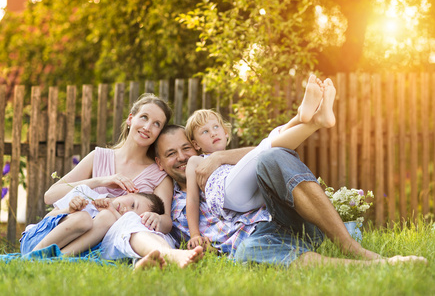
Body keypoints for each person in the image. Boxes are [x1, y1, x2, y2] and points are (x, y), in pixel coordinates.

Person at [151, 80, 426, 267]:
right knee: (250, 251)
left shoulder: (215, 161)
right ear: (160, 162)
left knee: (269, 154)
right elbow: (189, 208)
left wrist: (221, 156)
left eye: (185, 148)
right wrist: (196, 236)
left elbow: (256, 156)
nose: (183, 157)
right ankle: (376, 266)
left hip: (271, 211)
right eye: (172, 153)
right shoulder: (173, 196)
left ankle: (348, 243)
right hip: (253, 233)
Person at [43, 93, 203, 268]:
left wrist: (156, 218)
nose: (147, 127)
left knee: (135, 227)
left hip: (122, 238)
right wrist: (100, 181)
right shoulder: (98, 156)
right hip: (81, 235)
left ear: (159, 133)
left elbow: (166, 221)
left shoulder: (158, 174)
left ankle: (153, 261)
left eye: (156, 124)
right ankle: (157, 260)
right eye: (144, 117)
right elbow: (50, 196)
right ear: (130, 119)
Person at [184, 75, 335, 249]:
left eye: (216, 127)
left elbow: (260, 153)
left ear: (226, 132)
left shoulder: (234, 156)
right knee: (264, 149)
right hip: (229, 194)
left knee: (266, 152)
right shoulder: (196, 161)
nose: (212, 133)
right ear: (195, 144)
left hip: (258, 200)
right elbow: (193, 201)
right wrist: (195, 234)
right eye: (204, 132)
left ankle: (303, 116)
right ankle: (307, 120)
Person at [21, 184, 165, 256]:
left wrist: (112, 213)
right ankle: (34, 256)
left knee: (106, 217)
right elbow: (46, 219)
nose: (126, 210)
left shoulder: (112, 225)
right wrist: (70, 211)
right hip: (37, 239)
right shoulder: (84, 192)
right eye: (133, 204)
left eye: (130, 215)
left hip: (62, 252)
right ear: (130, 192)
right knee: (83, 219)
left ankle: (56, 259)